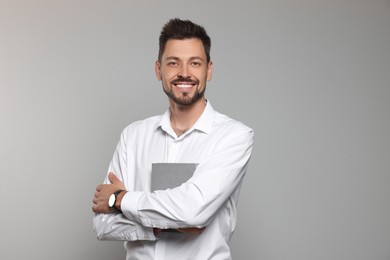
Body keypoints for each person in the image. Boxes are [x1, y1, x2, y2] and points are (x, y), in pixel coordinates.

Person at [92, 18, 254, 260]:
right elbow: (102, 225)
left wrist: (119, 199)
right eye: (173, 63)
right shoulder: (133, 136)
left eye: (195, 63)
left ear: (209, 70)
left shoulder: (233, 136)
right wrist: (160, 225)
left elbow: (192, 210)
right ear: (159, 70)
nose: (185, 73)